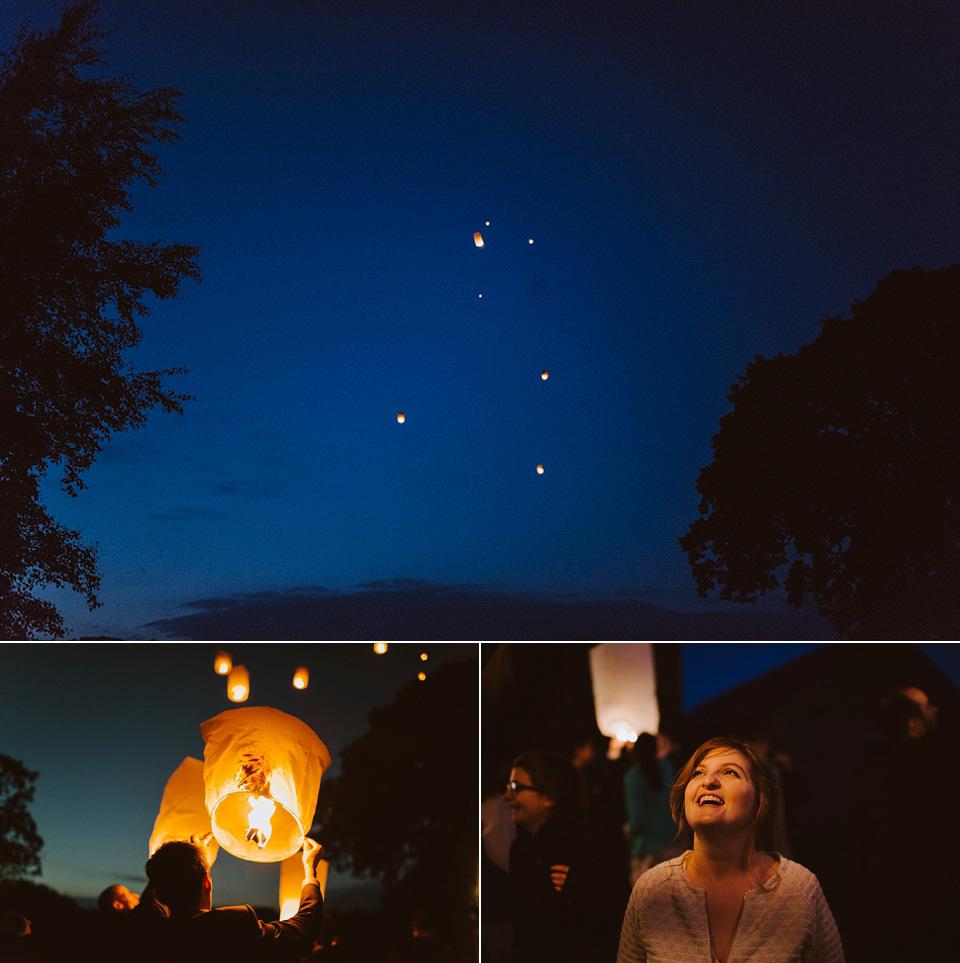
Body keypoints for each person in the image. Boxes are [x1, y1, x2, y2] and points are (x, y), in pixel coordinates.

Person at [618, 737, 844, 963]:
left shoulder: (799, 889)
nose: (709, 781)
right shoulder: (651, 889)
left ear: (759, 802)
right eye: (698, 773)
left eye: (730, 773)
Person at [852, 686, 959, 962]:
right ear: (913, 723)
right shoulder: (942, 764)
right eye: (927, 706)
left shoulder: (871, 773)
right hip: (936, 895)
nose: (935, 709)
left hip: (888, 896)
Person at [504, 750, 626, 963]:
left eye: (516, 788)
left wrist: (574, 895)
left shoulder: (591, 847)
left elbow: (610, 927)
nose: (507, 796)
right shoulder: (520, 850)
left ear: (548, 797)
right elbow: (522, 931)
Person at [129, 832, 324, 962]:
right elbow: (304, 928)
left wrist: (194, 860)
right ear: (207, 882)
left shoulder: (149, 929)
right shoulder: (231, 927)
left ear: (158, 893)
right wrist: (310, 872)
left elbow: (153, 901)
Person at [623, 733, 681, 884]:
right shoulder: (667, 767)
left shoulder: (633, 776)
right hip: (672, 845)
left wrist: (627, 830)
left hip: (647, 851)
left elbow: (637, 821)